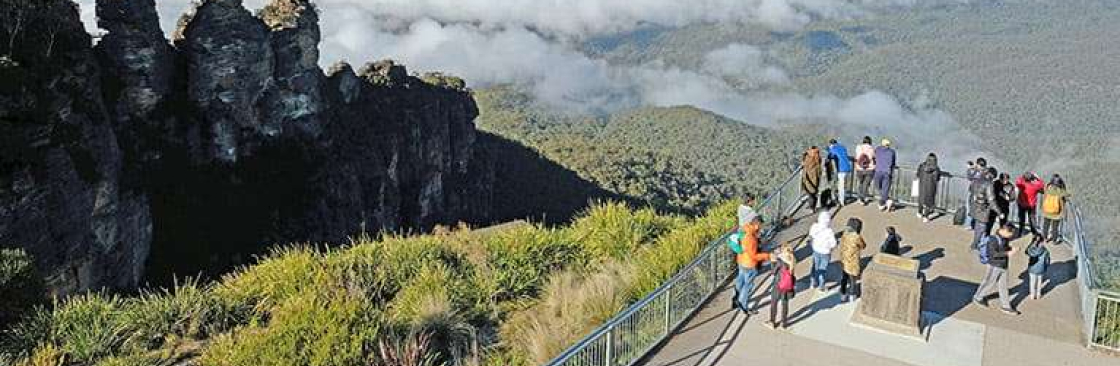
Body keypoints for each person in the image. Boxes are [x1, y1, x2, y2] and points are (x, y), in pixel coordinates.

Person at [972, 225, 1020, 315]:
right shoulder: (992, 239)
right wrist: (1008, 253)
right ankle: (978, 297)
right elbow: (993, 254)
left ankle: (1006, 306)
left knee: (1003, 286)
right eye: (1011, 234)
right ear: (1005, 231)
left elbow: (1003, 248)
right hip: (994, 265)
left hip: (1003, 265)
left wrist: (1010, 248)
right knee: (989, 282)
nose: (1011, 236)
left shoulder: (1005, 239)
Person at [734, 213, 770, 314]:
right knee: (748, 286)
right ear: (757, 224)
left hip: (741, 261)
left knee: (740, 281)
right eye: (761, 225)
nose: (761, 227)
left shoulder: (744, 229)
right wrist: (767, 256)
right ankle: (743, 305)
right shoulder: (751, 238)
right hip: (749, 265)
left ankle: (736, 298)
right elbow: (754, 256)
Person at [970, 168, 1004, 250]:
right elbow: (991, 200)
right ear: (992, 175)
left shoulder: (977, 179)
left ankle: (975, 244)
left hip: (975, 206)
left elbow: (970, 189)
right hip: (983, 209)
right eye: (994, 177)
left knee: (978, 227)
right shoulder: (989, 184)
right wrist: (999, 213)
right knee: (981, 228)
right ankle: (976, 245)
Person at [765, 244, 797, 330]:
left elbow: (773, 272)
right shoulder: (792, 259)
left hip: (778, 284)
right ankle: (784, 323)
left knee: (774, 302)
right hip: (788, 285)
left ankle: (772, 322)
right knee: (785, 304)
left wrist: (772, 262)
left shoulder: (780, 261)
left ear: (783, 251)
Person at [839, 217, 866, 302]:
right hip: (853, 261)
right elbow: (863, 246)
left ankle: (843, 294)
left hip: (844, 259)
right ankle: (852, 295)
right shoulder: (857, 237)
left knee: (844, 278)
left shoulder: (845, 233)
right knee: (853, 280)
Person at [915, 153, 948, 222]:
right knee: (929, 202)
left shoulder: (922, 166)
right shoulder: (936, 168)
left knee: (921, 199)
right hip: (931, 187)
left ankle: (919, 212)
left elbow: (918, 174)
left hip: (922, 185)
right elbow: (937, 178)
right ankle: (925, 216)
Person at [809, 211, 837, 292]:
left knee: (815, 267)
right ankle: (821, 286)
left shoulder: (814, 226)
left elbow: (811, 236)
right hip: (825, 253)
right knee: (823, 269)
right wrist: (830, 248)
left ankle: (813, 282)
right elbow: (833, 244)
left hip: (816, 249)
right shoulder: (829, 231)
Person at [1041, 175, 1070, 244]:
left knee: (1046, 225)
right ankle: (1054, 240)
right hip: (1056, 213)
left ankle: (1044, 238)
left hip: (1046, 211)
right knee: (1055, 227)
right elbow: (1066, 196)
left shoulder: (1048, 188)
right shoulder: (1060, 191)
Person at [873, 139, 897, 211]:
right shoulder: (892, 152)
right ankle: (885, 201)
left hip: (878, 171)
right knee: (885, 189)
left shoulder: (877, 149)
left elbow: (874, 158)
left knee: (878, 187)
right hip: (887, 172)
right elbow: (893, 163)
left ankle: (883, 202)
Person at [965, 158, 989, 229]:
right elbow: (970, 177)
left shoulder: (984, 172)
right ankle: (969, 224)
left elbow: (973, 178)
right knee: (970, 207)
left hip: (978, 193)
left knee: (974, 208)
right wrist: (970, 169)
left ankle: (971, 224)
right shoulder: (979, 171)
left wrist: (971, 169)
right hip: (973, 192)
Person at [1025, 235, 1051, 300]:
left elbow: (1027, 251)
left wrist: (1032, 244)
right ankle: (1038, 294)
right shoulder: (1046, 251)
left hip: (1032, 268)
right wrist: (1046, 266)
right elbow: (1047, 261)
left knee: (1032, 282)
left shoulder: (1032, 250)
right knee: (1039, 282)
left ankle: (1032, 295)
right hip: (1041, 269)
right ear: (1042, 242)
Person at [828, 139, 853, 206]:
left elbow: (830, 156)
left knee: (841, 186)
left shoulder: (833, 148)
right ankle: (844, 197)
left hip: (841, 169)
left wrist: (830, 149)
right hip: (848, 167)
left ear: (831, 144)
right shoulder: (843, 147)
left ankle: (841, 201)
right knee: (844, 185)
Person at [800, 146, 824, 211]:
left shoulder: (809, 158)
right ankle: (813, 206)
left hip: (809, 178)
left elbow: (804, 163)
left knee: (810, 192)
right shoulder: (818, 158)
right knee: (814, 192)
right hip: (816, 178)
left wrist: (804, 155)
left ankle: (812, 207)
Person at [854, 136, 876, 205]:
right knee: (865, 184)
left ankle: (860, 198)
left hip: (859, 168)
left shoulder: (858, 147)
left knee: (860, 183)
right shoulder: (871, 149)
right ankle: (862, 198)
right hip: (869, 169)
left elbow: (857, 156)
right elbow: (874, 158)